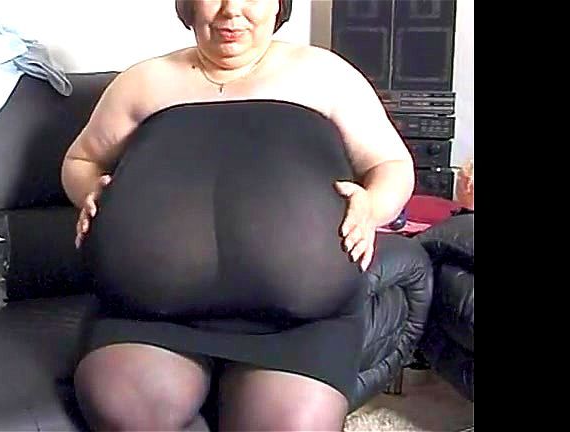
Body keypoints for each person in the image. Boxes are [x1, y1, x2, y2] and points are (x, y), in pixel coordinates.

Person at [60, 0, 415, 430]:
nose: (232, 10)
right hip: (147, 319)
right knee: (126, 411)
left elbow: (392, 164)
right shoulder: (143, 82)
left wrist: (372, 205)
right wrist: (90, 190)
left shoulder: (326, 74)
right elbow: (81, 160)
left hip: (300, 326)